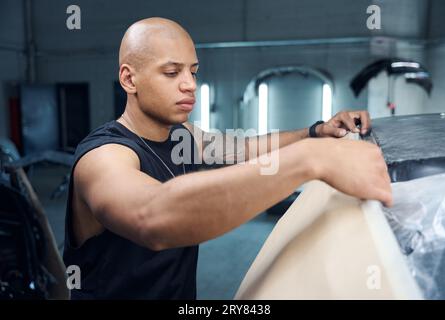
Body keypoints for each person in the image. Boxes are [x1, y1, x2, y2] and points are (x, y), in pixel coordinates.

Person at [63, 17, 392, 299]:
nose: (190, 84)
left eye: (193, 71)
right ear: (129, 79)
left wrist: (315, 132)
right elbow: (152, 217)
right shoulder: (104, 157)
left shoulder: (183, 137)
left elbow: (244, 149)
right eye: (171, 72)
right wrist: (311, 159)